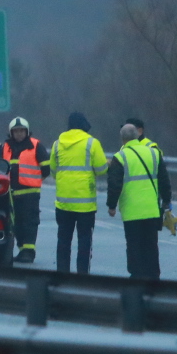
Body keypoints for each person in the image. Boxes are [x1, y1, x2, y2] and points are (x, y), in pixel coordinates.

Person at [107, 121, 171, 281]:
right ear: (138, 136)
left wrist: (112, 205)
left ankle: (136, 277)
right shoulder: (154, 153)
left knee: (134, 245)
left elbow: (115, 184)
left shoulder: (119, 157)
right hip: (151, 209)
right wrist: (166, 201)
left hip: (131, 211)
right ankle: (154, 276)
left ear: (122, 140)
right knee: (151, 245)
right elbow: (164, 179)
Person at [50, 112, 107, 275]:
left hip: (63, 203)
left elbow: (53, 172)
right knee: (84, 243)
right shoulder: (92, 143)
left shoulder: (57, 144)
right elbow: (102, 169)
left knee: (63, 242)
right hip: (85, 205)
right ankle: (82, 277)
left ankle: (62, 275)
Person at [1, 116, 48, 263]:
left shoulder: (36, 146)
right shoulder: (5, 147)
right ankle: (21, 251)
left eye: (22, 131)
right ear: (11, 133)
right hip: (9, 194)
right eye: (16, 131)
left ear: (27, 131)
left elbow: (46, 168)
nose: (19, 134)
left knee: (29, 223)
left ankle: (28, 252)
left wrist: (35, 181)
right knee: (15, 224)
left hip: (30, 195)